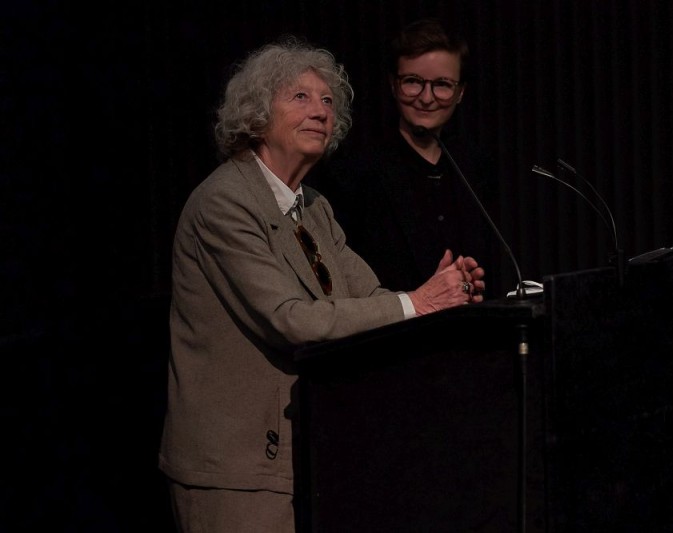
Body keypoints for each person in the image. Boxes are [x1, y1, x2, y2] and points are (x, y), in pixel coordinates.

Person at [158, 36, 486, 533]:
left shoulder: (313, 206)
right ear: (256, 113)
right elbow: (292, 320)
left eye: (328, 101)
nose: (321, 111)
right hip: (236, 469)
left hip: (311, 451)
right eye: (300, 97)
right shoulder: (224, 202)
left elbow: (371, 297)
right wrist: (418, 302)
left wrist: (442, 297)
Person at [307, 18, 502, 298]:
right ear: (393, 85)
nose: (426, 97)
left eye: (442, 85)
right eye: (413, 82)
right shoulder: (354, 168)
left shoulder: (475, 164)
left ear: (461, 93)